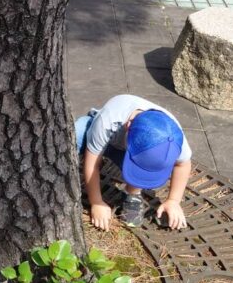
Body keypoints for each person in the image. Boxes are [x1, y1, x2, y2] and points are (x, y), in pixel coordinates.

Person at [74, 94, 192, 231]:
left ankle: (132, 192)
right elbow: (92, 162)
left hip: (128, 147)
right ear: (128, 125)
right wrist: (97, 202)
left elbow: (183, 164)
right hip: (105, 135)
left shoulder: (173, 136)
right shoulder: (108, 121)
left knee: (142, 166)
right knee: (75, 132)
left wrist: (173, 201)